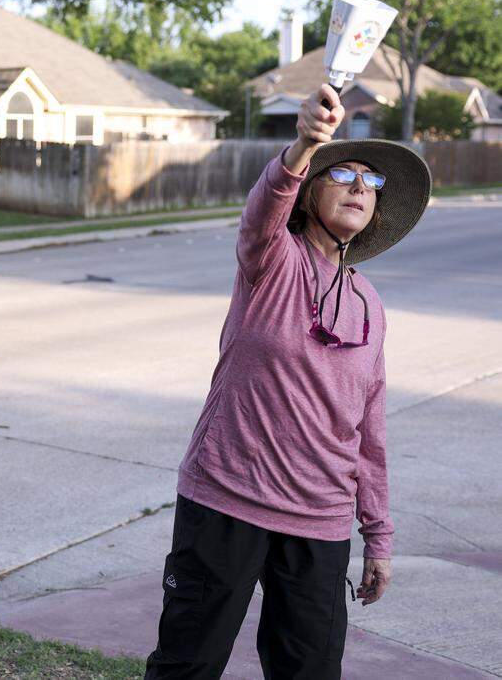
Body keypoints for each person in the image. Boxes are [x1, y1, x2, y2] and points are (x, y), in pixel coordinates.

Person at [144, 84, 431, 679]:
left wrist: (377, 534)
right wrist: (305, 144)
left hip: (319, 521)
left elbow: (368, 431)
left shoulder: (370, 306)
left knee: (309, 673)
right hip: (228, 497)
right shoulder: (271, 261)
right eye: (343, 174)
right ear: (308, 196)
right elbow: (263, 207)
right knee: (187, 666)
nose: (358, 186)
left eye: (370, 182)